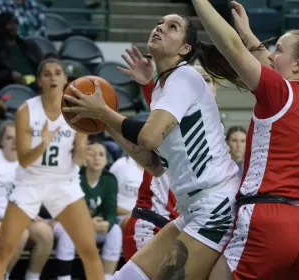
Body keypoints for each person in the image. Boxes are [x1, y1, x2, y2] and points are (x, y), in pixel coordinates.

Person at [63, 11, 248, 278]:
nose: (160, 27)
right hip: (192, 208)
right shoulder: (164, 88)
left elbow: (148, 136)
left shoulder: (185, 77)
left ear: (185, 48)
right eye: (160, 22)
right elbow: (153, 163)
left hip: (215, 205)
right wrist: (107, 125)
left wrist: (104, 111)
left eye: (172, 27)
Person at [190, 1, 299, 279]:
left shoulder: (280, 93)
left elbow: (232, 48)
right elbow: (265, 61)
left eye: (279, 50)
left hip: (271, 219)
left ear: (298, 65)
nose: (272, 54)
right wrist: (248, 33)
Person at [0, 58, 104, 280]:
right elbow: (24, 161)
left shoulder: (77, 111)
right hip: (30, 181)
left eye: (58, 73)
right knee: (4, 251)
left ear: (65, 79)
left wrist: (82, 153)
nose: (53, 77)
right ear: (39, 80)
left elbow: (78, 158)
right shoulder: (26, 111)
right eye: (47, 74)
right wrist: (43, 143)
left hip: (64, 183)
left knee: (89, 251)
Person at [122, 59, 220, 262]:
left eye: (206, 79)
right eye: (193, 81)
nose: (200, 85)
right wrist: (149, 85)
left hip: (185, 231)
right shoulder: (172, 121)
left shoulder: (214, 130)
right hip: (154, 226)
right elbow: (163, 111)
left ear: (215, 90)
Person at [0, 120, 54, 280]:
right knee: (19, 234)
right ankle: (0, 276)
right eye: (9, 138)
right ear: (1, 140)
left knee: (45, 233)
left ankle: (32, 277)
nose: (14, 142)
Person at [53, 141, 122, 280]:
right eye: (92, 154)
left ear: (106, 160)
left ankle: (107, 277)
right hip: (68, 223)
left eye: (101, 155)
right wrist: (87, 222)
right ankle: (64, 277)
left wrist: (107, 223)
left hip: (94, 227)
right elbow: (65, 209)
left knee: (115, 231)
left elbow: (111, 212)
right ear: (83, 158)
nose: (97, 158)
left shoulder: (110, 180)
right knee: (70, 230)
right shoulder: (74, 177)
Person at [0, 11, 42, 90]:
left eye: (15, 23)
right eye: (9, 24)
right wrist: (9, 75)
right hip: (11, 89)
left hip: (36, 85)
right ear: (1, 27)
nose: (13, 26)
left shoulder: (29, 45)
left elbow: (42, 64)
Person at [110, 156, 144, 230]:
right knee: (135, 222)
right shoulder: (121, 166)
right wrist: (133, 213)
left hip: (144, 215)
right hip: (121, 216)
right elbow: (107, 202)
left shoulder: (158, 170)